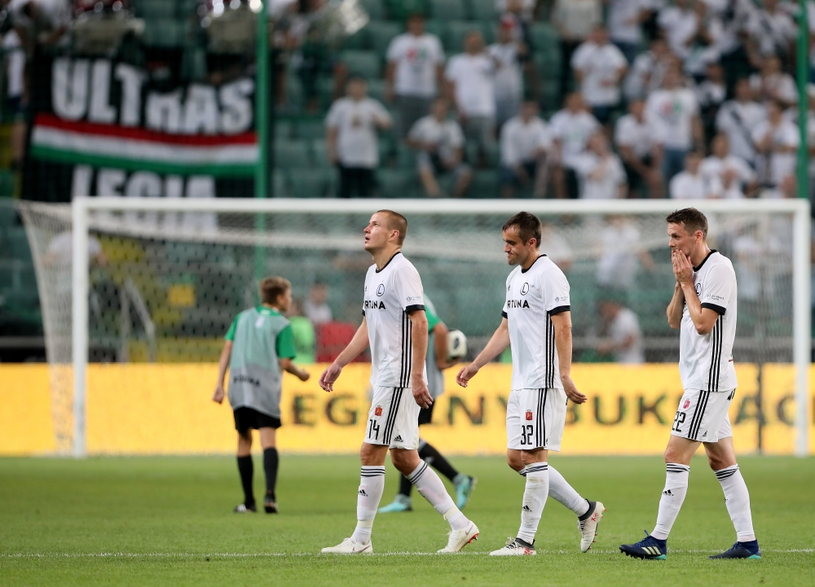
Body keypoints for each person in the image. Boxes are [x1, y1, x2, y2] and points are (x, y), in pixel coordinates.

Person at [319, 210, 479, 554]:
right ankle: (461, 524)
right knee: (405, 458)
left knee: (370, 451)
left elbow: (420, 323)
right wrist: (339, 363)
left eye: (375, 224)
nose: (366, 228)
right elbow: (367, 327)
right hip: (387, 376)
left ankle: (361, 539)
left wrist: (418, 376)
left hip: (397, 378)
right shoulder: (371, 273)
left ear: (393, 235)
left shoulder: (403, 270)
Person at [456, 211, 604, 556]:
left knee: (535, 456)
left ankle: (524, 542)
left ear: (531, 243)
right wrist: (477, 364)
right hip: (521, 381)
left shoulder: (550, 275)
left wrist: (564, 374)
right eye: (504, 243)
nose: (505, 249)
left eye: (511, 243)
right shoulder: (514, 279)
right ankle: (587, 510)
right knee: (515, 458)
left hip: (543, 379)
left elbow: (563, 327)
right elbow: (506, 328)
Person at [620, 207, 760, 560]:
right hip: (700, 379)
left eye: (676, 236)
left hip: (709, 381)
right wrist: (681, 283)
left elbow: (703, 324)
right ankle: (748, 543)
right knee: (722, 461)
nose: (670, 243)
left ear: (697, 236)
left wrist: (687, 283)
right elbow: (673, 318)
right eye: (669, 236)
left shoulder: (719, 269)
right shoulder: (690, 271)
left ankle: (658, 540)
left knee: (674, 454)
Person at [212, 276, 311, 514]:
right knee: (268, 441)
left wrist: (219, 384)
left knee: (244, 440)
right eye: (288, 295)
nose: (290, 299)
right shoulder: (283, 325)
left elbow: (227, 348)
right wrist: (301, 374)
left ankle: (248, 501)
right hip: (265, 387)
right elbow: (285, 362)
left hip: (239, 385)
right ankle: (270, 496)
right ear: (279, 298)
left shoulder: (242, 317)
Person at [378, 295, 476, 514]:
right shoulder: (412, 295)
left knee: (404, 438)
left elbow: (439, 328)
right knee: (404, 438)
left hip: (420, 384)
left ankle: (458, 478)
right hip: (419, 382)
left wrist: (441, 362)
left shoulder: (410, 297)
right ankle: (404, 497)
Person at [325, 76, 393, 198]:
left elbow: (387, 123)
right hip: (345, 155)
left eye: (359, 86)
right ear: (348, 88)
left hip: (366, 157)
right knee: (345, 192)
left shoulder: (372, 105)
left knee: (365, 193)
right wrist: (331, 151)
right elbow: (331, 130)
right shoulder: (340, 106)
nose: (356, 90)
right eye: (353, 86)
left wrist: (377, 121)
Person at [385, 13, 446, 139]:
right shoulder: (400, 41)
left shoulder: (432, 42)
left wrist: (441, 89)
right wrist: (390, 86)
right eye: (413, 22)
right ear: (408, 24)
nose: (416, 25)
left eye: (419, 22)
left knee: (426, 128)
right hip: (405, 89)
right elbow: (392, 66)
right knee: (405, 128)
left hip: (427, 91)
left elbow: (438, 67)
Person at [445, 30, 496, 166]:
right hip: (464, 109)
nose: (473, 44)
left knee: (484, 146)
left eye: (476, 41)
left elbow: (498, 66)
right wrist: (458, 107)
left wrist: (484, 50)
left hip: (484, 109)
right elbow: (450, 86)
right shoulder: (456, 61)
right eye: (471, 40)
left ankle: (482, 167)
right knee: (460, 143)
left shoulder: (486, 60)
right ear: (465, 42)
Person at [406, 97, 471, 198]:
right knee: (423, 166)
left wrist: (454, 161)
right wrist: (425, 144)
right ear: (433, 108)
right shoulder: (424, 123)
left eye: (443, 108)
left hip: (447, 160)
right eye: (438, 107)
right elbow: (409, 141)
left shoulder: (453, 126)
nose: (440, 110)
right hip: (430, 159)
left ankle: (455, 200)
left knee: (466, 173)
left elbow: (459, 148)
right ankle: (436, 197)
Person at [570, 25, 628, 126]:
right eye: (596, 34)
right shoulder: (584, 49)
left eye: (601, 34)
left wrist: (612, 80)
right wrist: (584, 84)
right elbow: (577, 69)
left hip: (607, 93)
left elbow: (622, 68)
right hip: (589, 92)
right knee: (587, 121)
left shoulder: (612, 50)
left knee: (606, 122)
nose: (599, 36)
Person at [499, 100, 551, 199]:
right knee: (507, 177)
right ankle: (508, 208)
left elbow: (546, 146)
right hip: (514, 164)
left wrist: (539, 150)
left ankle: (539, 199)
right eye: (527, 108)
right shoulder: (510, 126)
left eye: (532, 108)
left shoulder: (541, 125)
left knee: (545, 162)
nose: (529, 111)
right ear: (521, 109)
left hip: (532, 162)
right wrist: (520, 170)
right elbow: (508, 154)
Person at [596, 295, 645, 364]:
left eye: (604, 309)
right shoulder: (614, 320)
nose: (604, 313)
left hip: (632, 363)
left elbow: (630, 341)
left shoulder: (626, 318)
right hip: (621, 362)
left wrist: (609, 347)